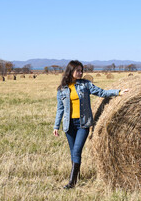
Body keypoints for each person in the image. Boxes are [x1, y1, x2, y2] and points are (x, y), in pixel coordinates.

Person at [53, 60, 129, 189]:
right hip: (69, 125)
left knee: (77, 150)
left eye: (81, 70)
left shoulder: (85, 85)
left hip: (83, 123)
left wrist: (118, 92)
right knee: (73, 153)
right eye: (78, 70)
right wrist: (56, 126)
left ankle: (72, 183)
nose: (81, 73)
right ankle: (75, 178)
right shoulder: (62, 89)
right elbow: (60, 109)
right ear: (71, 71)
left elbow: (101, 93)